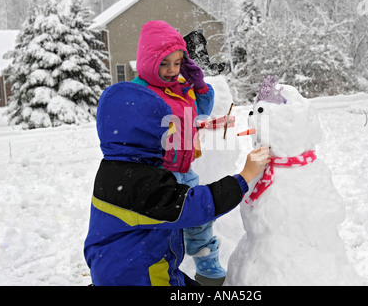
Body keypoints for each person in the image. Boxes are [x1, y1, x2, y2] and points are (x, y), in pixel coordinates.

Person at [83, 81, 270, 286]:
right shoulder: (137, 183)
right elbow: (192, 207)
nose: (170, 140)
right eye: (165, 134)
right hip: (139, 276)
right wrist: (244, 177)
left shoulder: (117, 169)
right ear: (143, 137)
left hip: (122, 266)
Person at [131, 20, 225, 285]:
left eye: (177, 62)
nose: (171, 70)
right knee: (159, 230)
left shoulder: (180, 86)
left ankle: (208, 272)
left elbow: (202, 111)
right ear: (149, 61)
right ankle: (158, 276)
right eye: (164, 63)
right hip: (156, 174)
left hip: (185, 170)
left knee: (199, 218)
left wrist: (200, 85)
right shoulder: (139, 90)